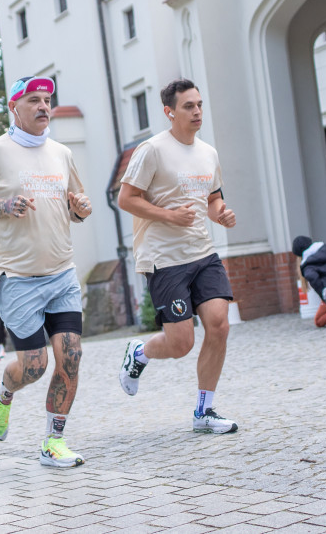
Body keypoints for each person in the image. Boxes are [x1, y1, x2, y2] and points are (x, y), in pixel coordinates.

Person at [0, 75, 91, 468]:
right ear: (14, 108)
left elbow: (74, 207)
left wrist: (80, 209)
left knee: (71, 357)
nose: (43, 106)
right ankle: (3, 393)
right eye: (34, 99)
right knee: (34, 365)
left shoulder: (62, 153)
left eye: (47, 99)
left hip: (62, 273)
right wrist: (2, 205)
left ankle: (54, 441)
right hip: (17, 279)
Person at [117, 78, 239, 435]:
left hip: (202, 252)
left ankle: (205, 410)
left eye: (199, 104)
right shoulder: (152, 150)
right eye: (189, 106)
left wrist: (221, 213)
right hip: (164, 258)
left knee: (219, 324)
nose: (197, 111)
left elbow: (212, 198)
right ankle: (139, 354)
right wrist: (170, 215)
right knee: (181, 343)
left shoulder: (208, 153)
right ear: (170, 112)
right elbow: (126, 199)